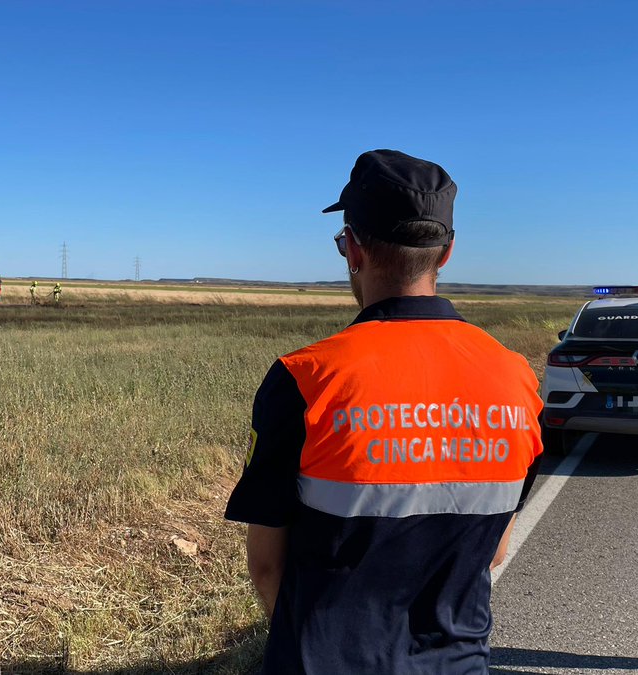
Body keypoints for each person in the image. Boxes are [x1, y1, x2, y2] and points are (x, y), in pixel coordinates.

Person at [224, 149, 544, 674]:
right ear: (446, 254)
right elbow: (494, 551)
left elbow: (265, 566)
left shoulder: (305, 378)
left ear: (352, 248)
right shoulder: (516, 379)